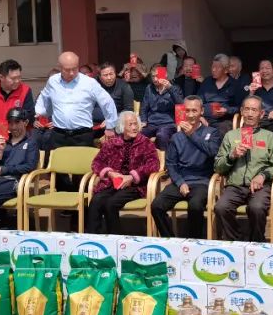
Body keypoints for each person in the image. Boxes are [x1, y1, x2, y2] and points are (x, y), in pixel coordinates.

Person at [213, 96, 273, 242]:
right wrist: (231, 155)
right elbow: (218, 167)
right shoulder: (230, 136)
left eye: (254, 110)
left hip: (260, 187)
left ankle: (256, 243)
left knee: (256, 208)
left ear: (261, 114)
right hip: (235, 186)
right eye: (247, 109)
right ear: (241, 111)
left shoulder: (270, 137)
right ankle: (236, 241)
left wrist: (263, 175)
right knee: (221, 207)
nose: (250, 114)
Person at [151, 96, 221, 238]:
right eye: (187, 111)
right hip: (181, 181)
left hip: (202, 181)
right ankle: (170, 240)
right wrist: (180, 182)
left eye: (194, 111)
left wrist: (192, 134)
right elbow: (171, 164)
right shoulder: (176, 137)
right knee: (156, 205)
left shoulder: (212, 132)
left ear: (201, 111)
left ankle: (194, 242)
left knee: (195, 206)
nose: (190, 115)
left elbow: (213, 152)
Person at [86, 111, 160, 234]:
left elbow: (153, 164)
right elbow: (97, 163)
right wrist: (110, 173)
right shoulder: (112, 143)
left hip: (135, 186)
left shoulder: (145, 143)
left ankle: (115, 239)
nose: (134, 127)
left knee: (111, 204)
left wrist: (132, 177)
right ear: (122, 127)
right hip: (112, 183)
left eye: (136, 124)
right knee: (96, 201)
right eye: (130, 124)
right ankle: (93, 238)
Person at [34, 51, 118, 151]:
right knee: (59, 161)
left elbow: (107, 102)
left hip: (82, 135)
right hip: (58, 135)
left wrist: (110, 126)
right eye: (67, 70)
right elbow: (44, 96)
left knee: (83, 161)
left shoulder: (89, 82)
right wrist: (40, 111)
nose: (72, 73)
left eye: (74, 69)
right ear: (60, 67)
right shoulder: (53, 81)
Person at [0, 59, 35, 141]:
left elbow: (29, 115)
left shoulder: (25, 90)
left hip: (19, 140)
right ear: (1, 77)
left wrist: (14, 130)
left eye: (19, 77)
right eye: (13, 78)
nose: (17, 81)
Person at [199, 54, 243, 135]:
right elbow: (198, 102)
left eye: (217, 68)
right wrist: (200, 117)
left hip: (223, 121)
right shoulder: (207, 82)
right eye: (212, 67)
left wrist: (227, 110)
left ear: (226, 70)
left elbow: (240, 107)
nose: (213, 70)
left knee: (223, 129)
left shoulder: (235, 85)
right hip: (204, 119)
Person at [140, 68, 184, 149]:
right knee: (138, 134)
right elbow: (144, 106)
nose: (155, 79)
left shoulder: (175, 88)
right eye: (153, 76)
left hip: (168, 123)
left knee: (161, 135)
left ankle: (164, 156)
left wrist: (170, 88)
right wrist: (143, 120)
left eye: (157, 76)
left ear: (165, 75)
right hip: (151, 123)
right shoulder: (149, 88)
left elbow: (181, 104)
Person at [92, 62, 135, 137]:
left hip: (117, 121)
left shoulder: (124, 86)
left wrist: (111, 120)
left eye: (111, 74)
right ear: (99, 76)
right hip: (96, 121)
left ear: (115, 74)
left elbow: (128, 109)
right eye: (105, 75)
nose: (109, 78)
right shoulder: (93, 85)